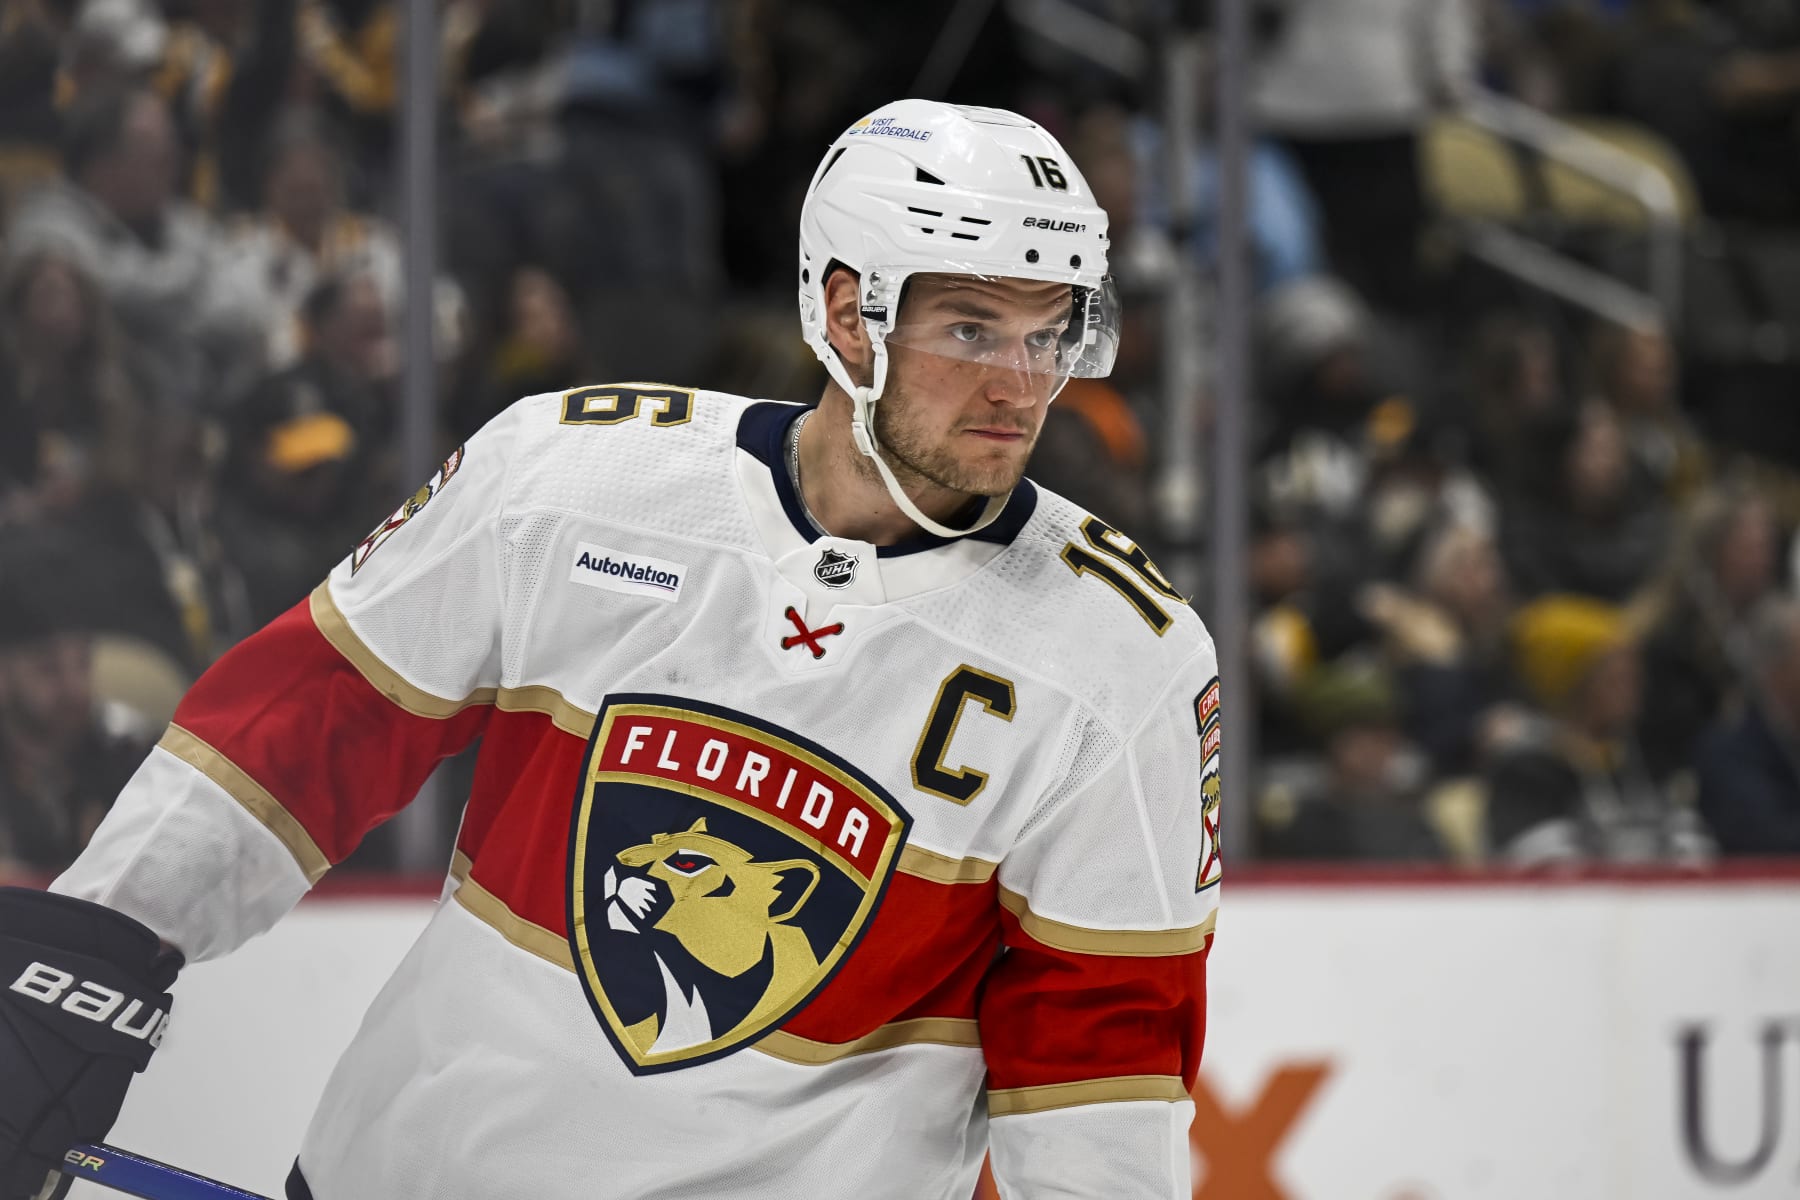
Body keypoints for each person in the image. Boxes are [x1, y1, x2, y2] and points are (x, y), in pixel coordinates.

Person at [0, 100, 1220, 1200]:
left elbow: (1098, 1071)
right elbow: (307, 724)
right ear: (850, 314)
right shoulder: (573, 478)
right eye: (972, 327)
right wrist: (91, 954)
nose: (1022, 385)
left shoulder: (1124, 664)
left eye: (1051, 333)